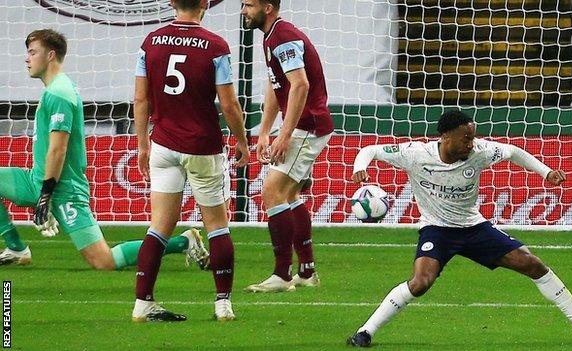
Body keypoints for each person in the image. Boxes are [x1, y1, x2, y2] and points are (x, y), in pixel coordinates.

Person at [347, 111, 572, 347]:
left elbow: (513, 152)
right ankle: (365, 332)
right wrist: (360, 168)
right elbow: (370, 150)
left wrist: (546, 172)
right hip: (437, 230)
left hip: (474, 228)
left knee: (533, 264)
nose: (471, 143)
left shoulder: (479, 152)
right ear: (445, 137)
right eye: (465, 138)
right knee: (420, 283)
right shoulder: (415, 154)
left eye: (472, 137)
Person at [0, 29, 207, 272]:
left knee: (104, 261)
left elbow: (58, 149)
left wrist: (46, 195)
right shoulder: (53, 90)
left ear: (50, 55)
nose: (27, 58)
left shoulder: (60, 93)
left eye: (33, 52)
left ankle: (183, 241)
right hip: (37, 180)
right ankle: (16, 247)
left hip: (63, 190)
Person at [131, 0, 250, 322]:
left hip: (163, 144)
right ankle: (222, 304)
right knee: (216, 225)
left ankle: (143, 304)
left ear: (171, 2)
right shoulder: (215, 45)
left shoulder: (150, 42)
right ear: (204, 4)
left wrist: (143, 145)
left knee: (159, 227)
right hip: (202, 146)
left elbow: (141, 99)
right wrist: (241, 140)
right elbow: (228, 103)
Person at [241, 0, 334, 293]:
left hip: (309, 125)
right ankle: (306, 272)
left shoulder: (283, 37)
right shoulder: (271, 36)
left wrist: (285, 135)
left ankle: (282, 275)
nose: (244, 9)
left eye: (249, 4)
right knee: (290, 193)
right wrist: (266, 131)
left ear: (267, 8)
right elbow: (275, 85)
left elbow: (301, 85)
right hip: (304, 125)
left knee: (272, 191)